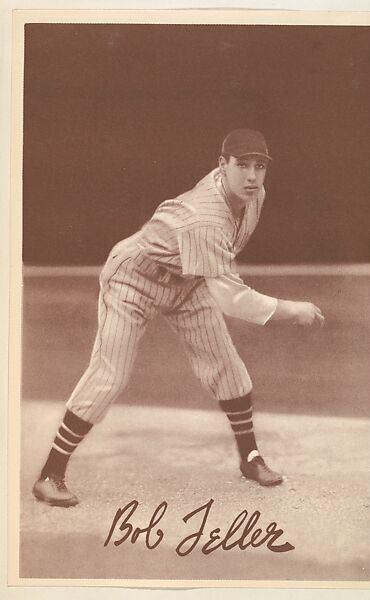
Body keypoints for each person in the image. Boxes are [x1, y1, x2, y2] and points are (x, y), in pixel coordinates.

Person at [32, 129, 324, 507]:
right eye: (242, 165)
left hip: (187, 280)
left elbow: (217, 270)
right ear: (222, 166)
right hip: (134, 279)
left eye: (260, 166)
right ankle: (50, 474)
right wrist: (291, 309)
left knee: (225, 364)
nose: (252, 176)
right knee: (111, 374)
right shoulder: (205, 217)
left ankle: (250, 459)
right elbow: (232, 298)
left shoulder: (254, 197)